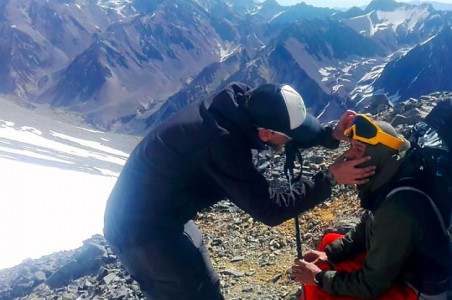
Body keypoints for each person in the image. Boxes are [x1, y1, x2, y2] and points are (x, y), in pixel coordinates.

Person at [103, 82, 376, 300]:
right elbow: (271, 209)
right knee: (186, 291)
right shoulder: (221, 144)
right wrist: (329, 178)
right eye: (289, 136)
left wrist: (330, 136)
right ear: (265, 134)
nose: (291, 139)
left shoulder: (244, 101)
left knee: (204, 283)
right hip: (141, 232)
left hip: (162, 212)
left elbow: (285, 127)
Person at [291, 115, 451, 300]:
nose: (349, 155)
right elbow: (363, 229)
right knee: (329, 242)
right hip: (397, 269)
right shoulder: (387, 179)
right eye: (351, 147)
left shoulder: (397, 208)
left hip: (414, 290)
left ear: (378, 153)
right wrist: (328, 254)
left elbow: (370, 285)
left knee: (319, 289)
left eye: (358, 149)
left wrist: (318, 278)